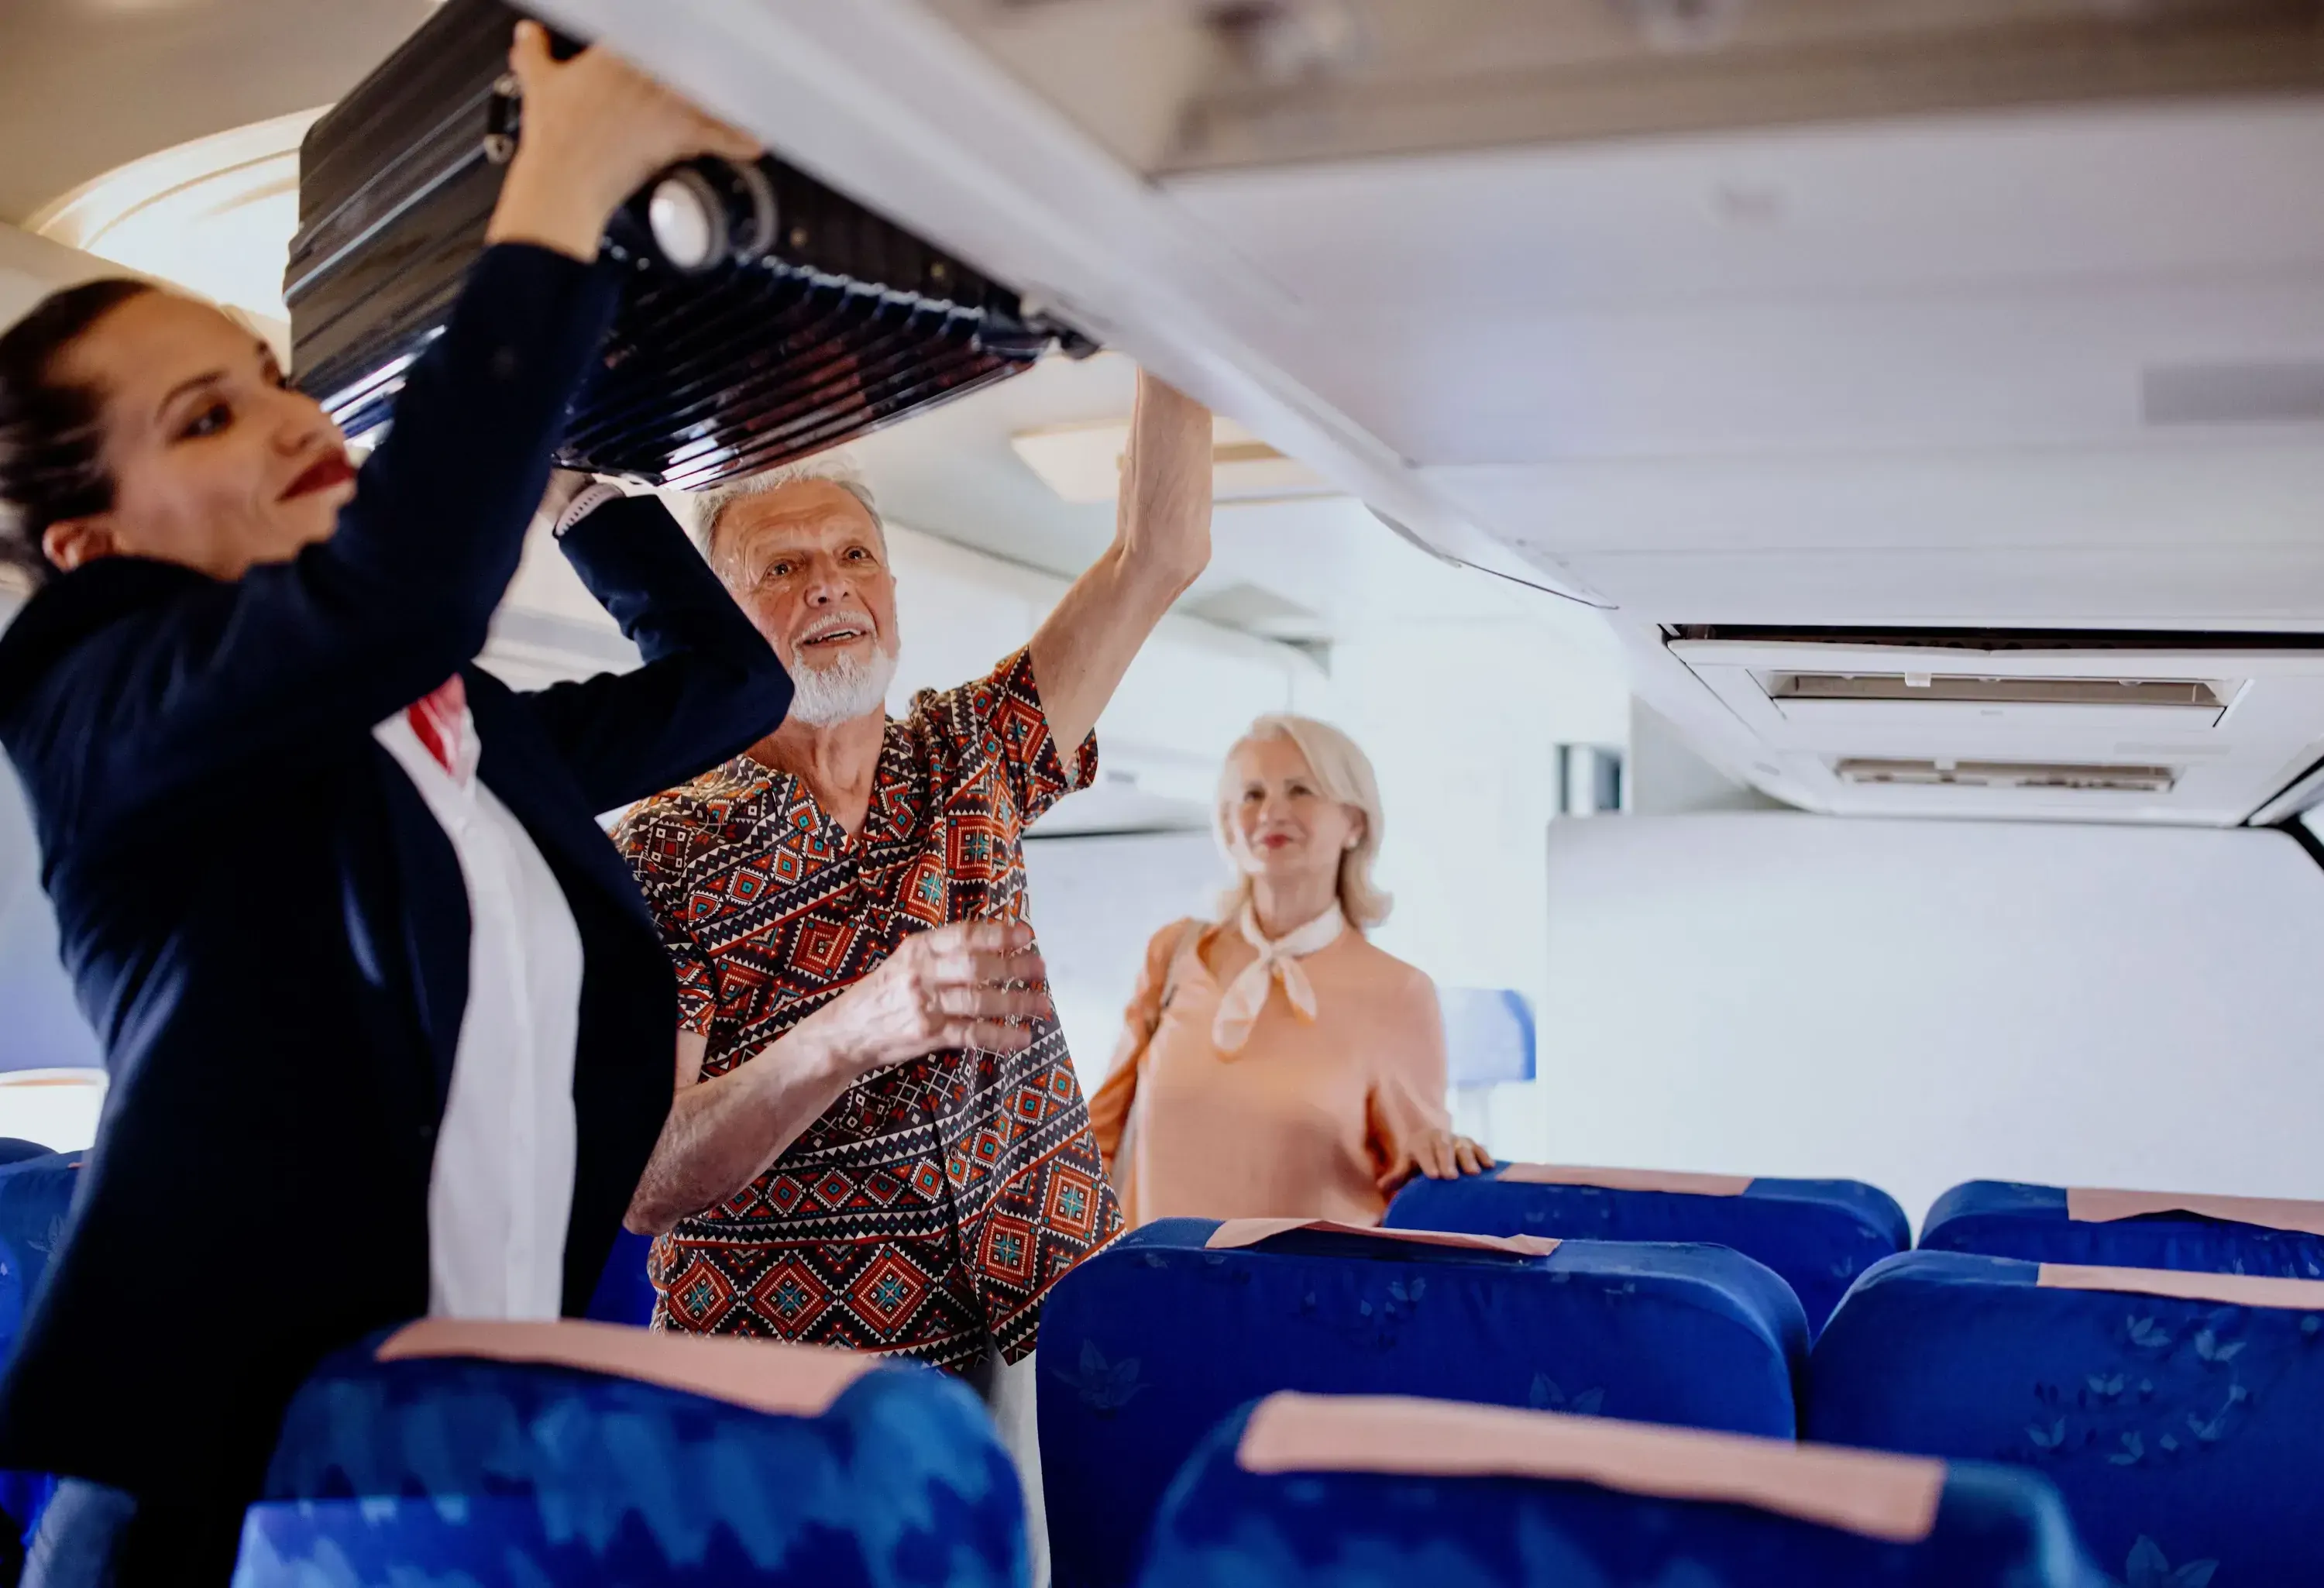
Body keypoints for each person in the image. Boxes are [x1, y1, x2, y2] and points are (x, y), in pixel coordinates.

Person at [0, 28, 782, 1583]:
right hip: (214, 1499)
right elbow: (401, 592)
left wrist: (570, 491)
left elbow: (730, 691)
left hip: (463, 1468)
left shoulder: (444, 733)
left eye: (275, 385)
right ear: (94, 548)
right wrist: (555, 182)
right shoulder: (88, 700)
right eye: (206, 420)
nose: (296, 424)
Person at [613, 390, 1211, 1573]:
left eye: (853, 557)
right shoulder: (660, 849)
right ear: (718, 621)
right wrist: (852, 1029)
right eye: (783, 566)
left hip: (1048, 1336)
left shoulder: (971, 751)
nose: (830, 584)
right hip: (801, 1392)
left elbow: (1163, 551)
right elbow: (646, 1177)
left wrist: (1165, 292)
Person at [1089, 714, 1493, 1228]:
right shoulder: (1172, 954)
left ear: (1356, 822)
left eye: (1300, 790)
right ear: (1229, 826)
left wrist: (1446, 1154)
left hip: (1306, 1305)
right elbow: (1096, 1144)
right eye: (1252, 794)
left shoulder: (1400, 992)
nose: (1272, 812)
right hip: (1151, 1302)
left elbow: (1414, 1187)